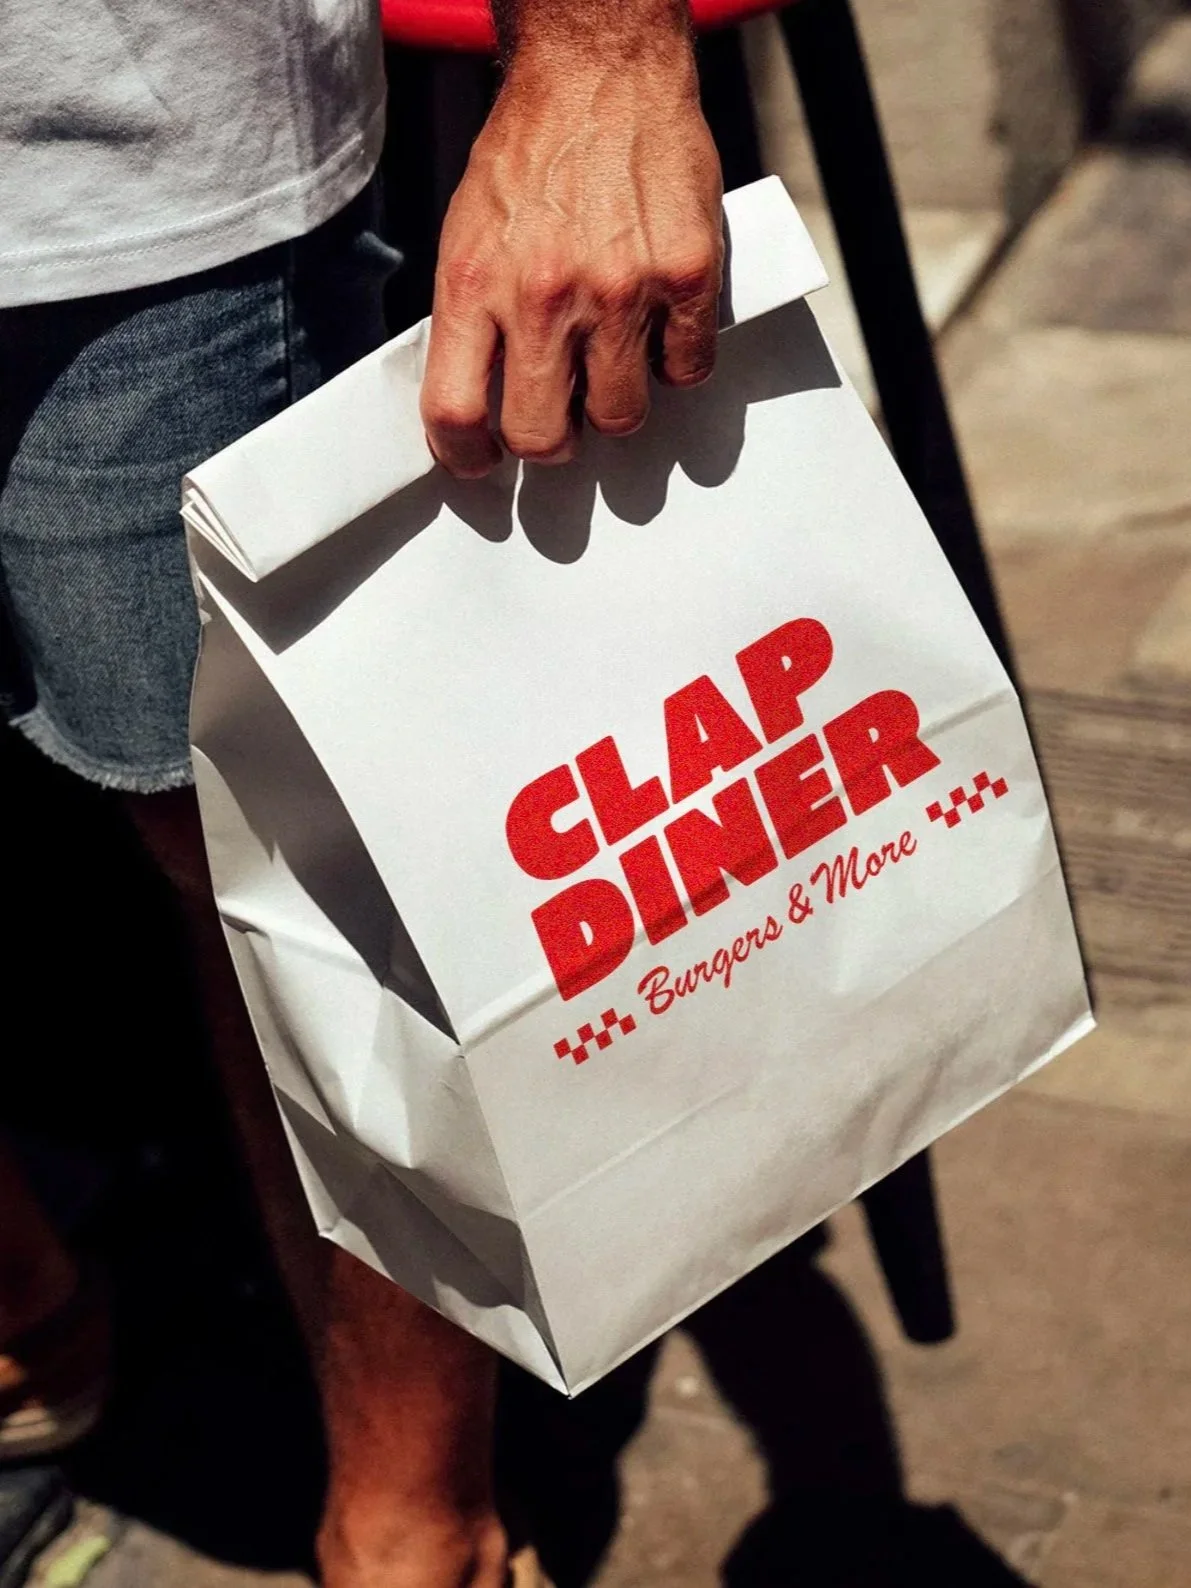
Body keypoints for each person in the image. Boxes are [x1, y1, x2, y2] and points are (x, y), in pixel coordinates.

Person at [0, 1, 724, 1583]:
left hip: (114, 168)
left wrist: (600, 51)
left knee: (275, 851)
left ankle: (418, 1524)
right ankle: (28, 1309)